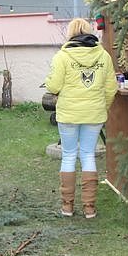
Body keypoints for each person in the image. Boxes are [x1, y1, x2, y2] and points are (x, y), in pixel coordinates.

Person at [44, 18, 118, 219]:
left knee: (69, 155)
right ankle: (89, 207)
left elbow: (53, 87)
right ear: (89, 31)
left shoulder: (62, 56)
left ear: (70, 33)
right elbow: (111, 87)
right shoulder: (103, 56)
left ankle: (67, 206)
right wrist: (103, 106)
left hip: (68, 113)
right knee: (87, 155)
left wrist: (50, 81)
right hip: (94, 114)